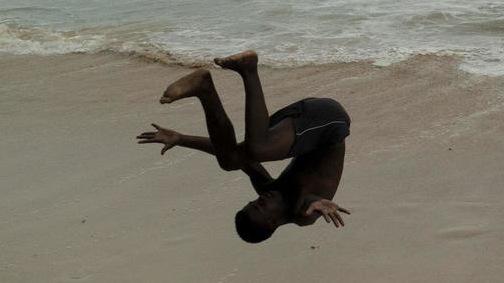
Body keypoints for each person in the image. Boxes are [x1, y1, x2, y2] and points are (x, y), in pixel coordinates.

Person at [136, 51, 351, 243]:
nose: (261, 199)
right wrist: (319, 204)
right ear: (272, 223)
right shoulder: (300, 214)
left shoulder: (269, 190)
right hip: (329, 125)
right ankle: (249, 70)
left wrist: (181, 139)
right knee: (256, 149)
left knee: (230, 160)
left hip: (304, 122)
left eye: (254, 202)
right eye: (260, 207)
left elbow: (230, 154)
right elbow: (309, 205)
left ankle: (205, 89)